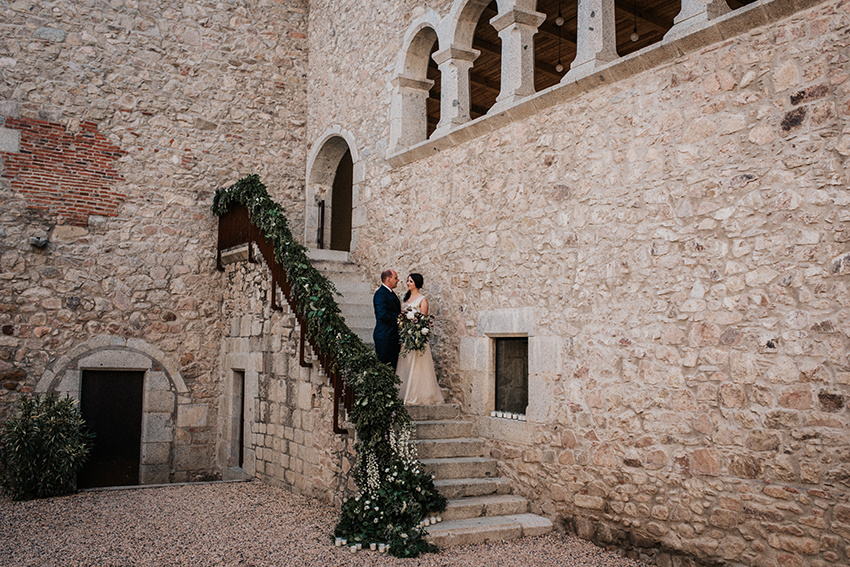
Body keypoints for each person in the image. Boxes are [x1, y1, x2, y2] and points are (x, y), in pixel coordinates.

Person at [396, 273, 445, 405]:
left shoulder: (422, 300)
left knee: (417, 366)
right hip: (406, 337)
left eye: (410, 281)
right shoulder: (405, 298)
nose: (408, 283)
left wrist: (415, 330)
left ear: (416, 283)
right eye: (407, 281)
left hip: (417, 337)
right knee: (405, 364)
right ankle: (404, 392)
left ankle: (418, 394)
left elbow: (423, 319)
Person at [373, 269, 401, 369]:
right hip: (384, 336)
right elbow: (382, 315)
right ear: (389, 279)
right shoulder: (381, 294)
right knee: (383, 368)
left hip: (393, 336)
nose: (398, 280)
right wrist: (399, 321)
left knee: (392, 367)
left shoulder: (391, 293)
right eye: (396, 278)